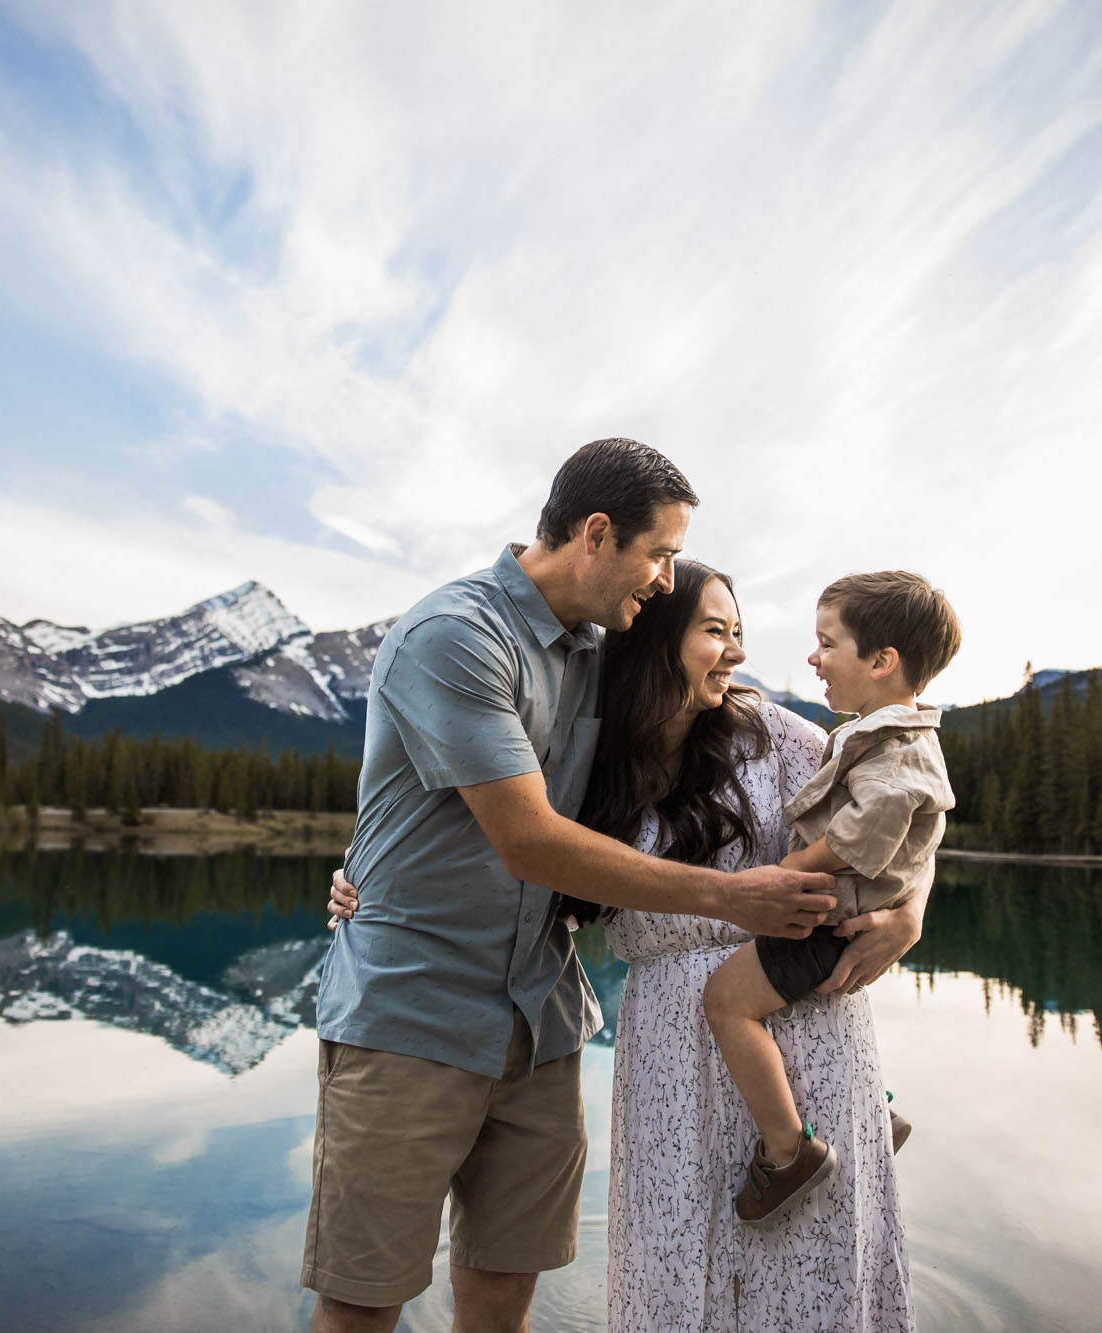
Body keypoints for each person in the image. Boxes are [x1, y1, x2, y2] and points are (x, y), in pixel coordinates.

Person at [303, 439, 842, 1333]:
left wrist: (909, 897)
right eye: (659, 553)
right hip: (411, 1015)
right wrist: (729, 897)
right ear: (596, 534)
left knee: (504, 1296)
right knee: (363, 1300)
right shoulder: (455, 636)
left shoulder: (608, 647)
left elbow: (827, 751)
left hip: (541, 1020)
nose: (665, 579)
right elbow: (527, 838)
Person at [701, 571, 960, 1224]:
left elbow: (864, 835)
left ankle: (789, 1150)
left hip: (824, 921)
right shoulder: (878, 732)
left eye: (827, 643)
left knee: (727, 1002)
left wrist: (793, 867)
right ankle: (871, 1113)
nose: (813, 657)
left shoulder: (897, 750)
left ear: (881, 661)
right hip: (834, 918)